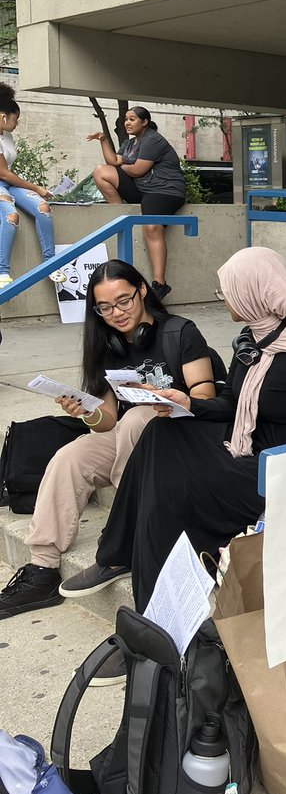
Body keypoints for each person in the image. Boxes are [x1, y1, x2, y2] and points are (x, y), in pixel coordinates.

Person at [83, 246, 286, 613]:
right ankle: (120, 554)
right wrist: (186, 403)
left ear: (251, 293)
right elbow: (231, 402)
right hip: (248, 447)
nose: (223, 299)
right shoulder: (255, 341)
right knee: (159, 433)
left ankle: (154, 612)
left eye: (226, 291)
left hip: (282, 473)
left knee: (170, 491)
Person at [0, 260, 217, 624]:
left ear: (142, 291)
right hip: (130, 434)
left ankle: (125, 533)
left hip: (184, 432)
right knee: (71, 456)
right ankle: (42, 568)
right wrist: (84, 411)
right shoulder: (106, 344)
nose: (115, 313)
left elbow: (207, 397)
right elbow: (107, 422)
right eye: (104, 307)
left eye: (124, 301)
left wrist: (163, 396)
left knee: (138, 417)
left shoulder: (180, 332)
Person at [87, 106, 186, 299]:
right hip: (143, 189)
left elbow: (138, 169)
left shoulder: (153, 140)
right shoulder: (130, 143)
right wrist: (104, 140)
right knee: (101, 171)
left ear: (145, 122)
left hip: (165, 191)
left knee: (152, 228)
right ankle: (120, 216)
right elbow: (112, 160)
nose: (127, 123)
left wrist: (122, 164)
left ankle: (160, 284)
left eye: (132, 119)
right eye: (126, 119)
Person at [0, 83, 67, 289]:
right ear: (4, 117)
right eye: (15, 119)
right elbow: (3, 173)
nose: (17, 123)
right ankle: (2, 271)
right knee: (11, 216)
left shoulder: (7, 137)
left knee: (43, 208)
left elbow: (9, 171)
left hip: (8, 183)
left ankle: (50, 263)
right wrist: (35, 187)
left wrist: (32, 189)